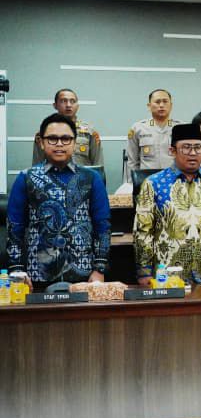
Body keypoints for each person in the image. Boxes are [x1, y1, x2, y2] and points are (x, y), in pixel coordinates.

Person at [7, 114, 111, 289]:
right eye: (52, 138)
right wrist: (16, 269)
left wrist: (99, 268)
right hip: (36, 276)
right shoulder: (26, 178)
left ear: (74, 142)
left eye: (66, 138)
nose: (60, 144)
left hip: (84, 275)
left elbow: (103, 225)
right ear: (42, 142)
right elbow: (14, 227)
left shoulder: (91, 178)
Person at [133, 123, 201, 286]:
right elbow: (143, 231)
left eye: (198, 148)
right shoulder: (153, 184)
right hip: (168, 277)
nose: (193, 153)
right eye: (186, 148)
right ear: (172, 151)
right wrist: (144, 271)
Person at [31, 89, 103, 167]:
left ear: (77, 106)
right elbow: (37, 166)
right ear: (55, 105)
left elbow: (98, 165)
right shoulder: (44, 133)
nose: (68, 105)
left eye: (72, 101)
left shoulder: (90, 132)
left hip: (83, 175)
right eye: (63, 101)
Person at [126, 88, 180, 180]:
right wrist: (131, 183)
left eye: (165, 101)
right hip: (147, 181)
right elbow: (132, 161)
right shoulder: (138, 128)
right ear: (149, 106)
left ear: (171, 105)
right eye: (157, 102)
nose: (161, 105)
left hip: (175, 179)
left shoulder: (181, 128)